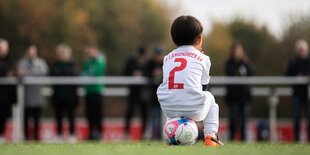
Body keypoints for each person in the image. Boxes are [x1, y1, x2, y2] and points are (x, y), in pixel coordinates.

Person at [157, 15, 223, 146]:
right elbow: (205, 85)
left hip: (168, 109)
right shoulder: (203, 58)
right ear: (199, 39)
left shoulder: (167, 58)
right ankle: (210, 137)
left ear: (174, 39)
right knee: (210, 98)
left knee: (174, 95)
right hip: (194, 109)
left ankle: (171, 135)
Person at [17, 44, 48, 141]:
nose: (31, 53)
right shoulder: (22, 62)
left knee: (37, 118)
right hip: (26, 96)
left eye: (33, 51)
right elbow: (20, 74)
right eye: (29, 51)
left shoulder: (41, 63)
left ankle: (36, 137)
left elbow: (44, 73)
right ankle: (26, 137)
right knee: (25, 118)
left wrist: (28, 73)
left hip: (38, 95)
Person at [225, 42, 254, 141]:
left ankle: (244, 140)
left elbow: (251, 74)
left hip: (244, 97)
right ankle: (231, 140)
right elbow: (229, 73)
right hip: (233, 97)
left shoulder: (247, 63)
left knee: (244, 121)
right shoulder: (229, 63)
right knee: (233, 120)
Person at [50, 44, 79, 142]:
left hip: (70, 96)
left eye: (64, 53)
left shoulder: (73, 64)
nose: (62, 55)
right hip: (58, 95)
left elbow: (73, 75)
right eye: (60, 53)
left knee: (71, 116)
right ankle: (59, 135)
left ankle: (72, 135)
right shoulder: (55, 65)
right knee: (58, 116)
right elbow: (53, 75)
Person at [286, 39, 310, 142]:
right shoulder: (292, 62)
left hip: (308, 94)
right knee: (296, 118)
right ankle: (296, 140)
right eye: (300, 49)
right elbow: (287, 76)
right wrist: (296, 78)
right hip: (297, 94)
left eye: (303, 49)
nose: (301, 51)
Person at [82, 44, 106, 140]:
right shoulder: (87, 62)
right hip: (88, 91)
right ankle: (91, 134)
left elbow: (97, 73)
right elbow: (83, 73)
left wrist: (88, 76)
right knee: (89, 114)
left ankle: (99, 134)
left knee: (98, 114)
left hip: (97, 91)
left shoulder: (100, 60)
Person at [144, 46, 164, 140]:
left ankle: (162, 136)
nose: (158, 56)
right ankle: (154, 136)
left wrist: (162, 74)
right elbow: (145, 74)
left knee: (163, 118)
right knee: (153, 118)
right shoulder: (149, 63)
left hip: (164, 97)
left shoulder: (165, 63)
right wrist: (153, 74)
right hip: (153, 96)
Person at [0, 39, 16, 143]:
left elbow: (11, 72)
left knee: (4, 114)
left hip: (6, 94)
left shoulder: (10, 60)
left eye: (5, 48)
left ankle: (1, 135)